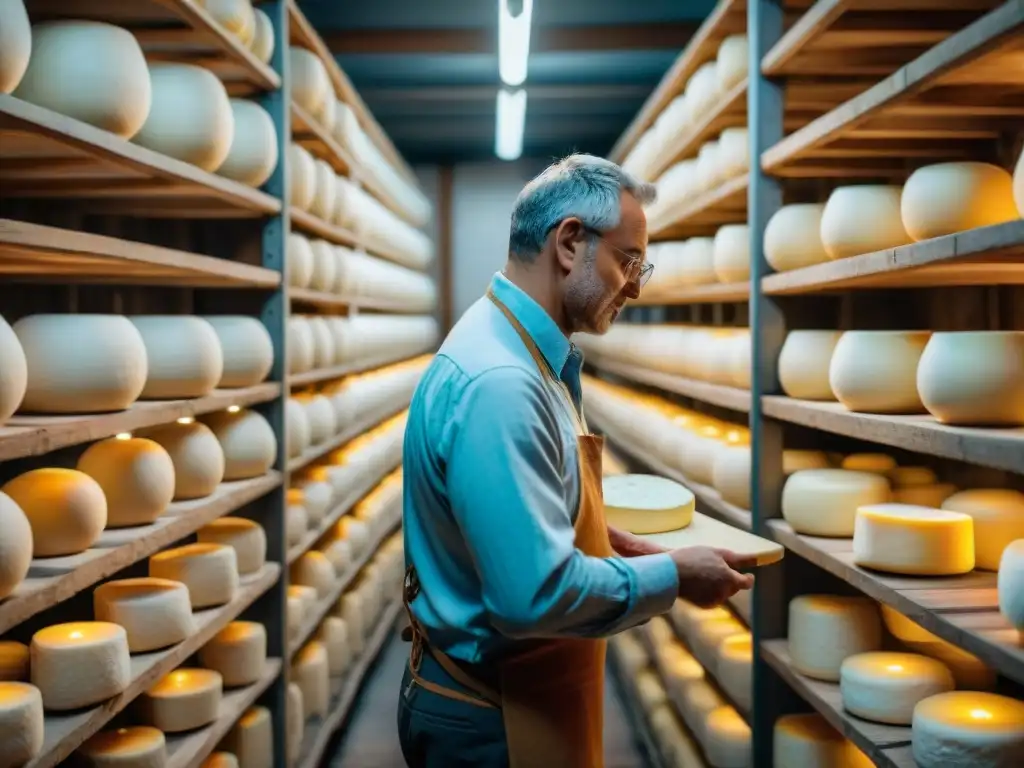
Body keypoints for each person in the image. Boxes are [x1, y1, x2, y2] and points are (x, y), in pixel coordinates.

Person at [398, 153, 756, 768]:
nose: (638, 286)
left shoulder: (519, 349)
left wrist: (608, 543)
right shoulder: (503, 385)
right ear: (569, 244)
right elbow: (530, 597)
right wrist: (674, 579)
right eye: (629, 260)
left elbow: (520, 510)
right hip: (495, 715)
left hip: (515, 693)